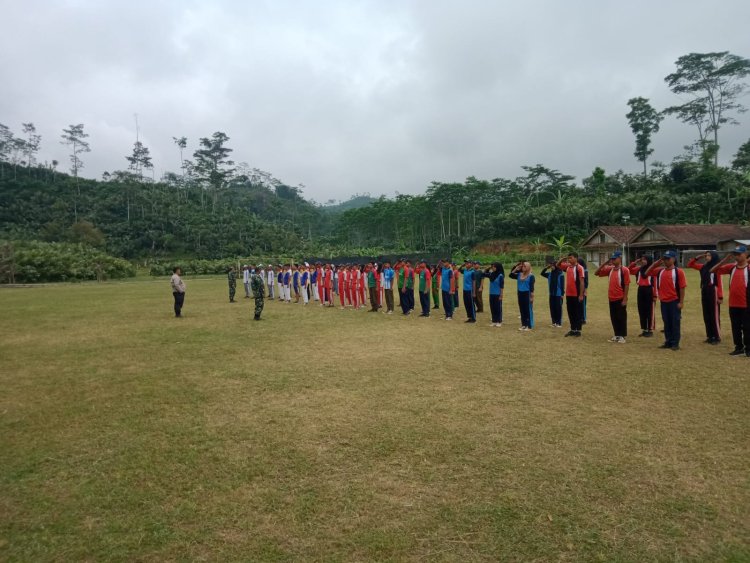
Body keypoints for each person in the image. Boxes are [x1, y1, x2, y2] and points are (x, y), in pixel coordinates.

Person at [711, 245, 750, 357]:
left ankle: (748, 349)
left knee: (747, 328)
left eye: (739, 254)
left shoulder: (748, 269)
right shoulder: (731, 267)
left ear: (745, 254)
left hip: (746, 304)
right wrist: (724, 260)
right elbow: (713, 270)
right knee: (735, 328)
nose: (737, 256)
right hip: (733, 304)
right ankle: (738, 347)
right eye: (735, 254)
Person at [646, 250, 687, 351]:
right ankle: (668, 341)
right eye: (664, 259)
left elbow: (682, 288)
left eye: (668, 259)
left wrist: (681, 302)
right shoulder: (660, 271)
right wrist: (656, 263)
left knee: (675, 323)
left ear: (673, 259)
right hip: (664, 302)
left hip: (674, 301)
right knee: (667, 323)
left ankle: (675, 343)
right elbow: (647, 272)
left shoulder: (679, 272)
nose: (665, 261)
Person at [594, 251, 631, 343]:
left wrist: (625, 298)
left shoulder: (624, 270)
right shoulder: (610, 269)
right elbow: (596, 273)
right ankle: (616, 334)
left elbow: (626, 284)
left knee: (621, 317)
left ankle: (622, 336)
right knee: (613, 317)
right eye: (612, 259)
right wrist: (605, 264)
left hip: (620, 297)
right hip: (611, 297)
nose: (613, 260)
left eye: (615, 258)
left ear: (620, 258)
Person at [688, 251, 723, 344]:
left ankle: (717, 336)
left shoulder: (717, 268)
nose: (707, 257)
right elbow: (690, 264)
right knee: (706, 314)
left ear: (714, 257)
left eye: (709, 255)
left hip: (713, 291)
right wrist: (697, 257)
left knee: (714, 315)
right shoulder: (703, 267)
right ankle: (710, 336)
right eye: (706, 255)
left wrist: (720, 296)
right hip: (704, 290)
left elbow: (719, 282)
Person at [628, 255, 657, 337]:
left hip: (649, 290)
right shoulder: (639, 269)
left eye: (645, 260)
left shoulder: (652, 270)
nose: (643, 261)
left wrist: (655, 295)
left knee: (649, 310)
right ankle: (644, 329)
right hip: (640, 290)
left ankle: (650, 330)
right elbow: (628, 270)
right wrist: (634, 263)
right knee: (641, 310)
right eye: (642, 259)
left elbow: (655, 283)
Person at [558, 253, 585, 337]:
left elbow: (581, 282)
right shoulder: (568, 267)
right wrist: (563, 258)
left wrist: (581, 295)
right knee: (570, 312)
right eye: (568, 258)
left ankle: (578, 330)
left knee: (577, 312)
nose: (569, 259)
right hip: (569, 294)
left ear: (576, 258)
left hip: (576, 294)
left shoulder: (579, 268)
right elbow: (558, 264)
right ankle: (573, 329)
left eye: (571, 258)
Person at [509, 261, 534, 330]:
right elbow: (510, 275)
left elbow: (532, 288)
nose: (523, 267)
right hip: (520, 293)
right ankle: (524, 324)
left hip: (527, 294)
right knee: (522, 310)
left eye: (525, 266)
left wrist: (531, 297)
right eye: (523, 266)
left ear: (528, 267)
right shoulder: (519, 274)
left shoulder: (531, 276)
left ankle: (529, 326)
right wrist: (516, 268)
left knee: (527, 310)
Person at [540, 258, 564, 328]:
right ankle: (554, 322)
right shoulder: (549, 274)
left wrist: (562, 294)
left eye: (553, 265)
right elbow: (542, 273)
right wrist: (546, 267)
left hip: (558, 294)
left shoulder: (560, 274)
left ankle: (559, 323)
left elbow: (562, 285)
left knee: (558, 308)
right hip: (551, 294)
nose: (551, 267)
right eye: (551, 265)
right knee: (552, 308)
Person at [484, 262, 505, 327]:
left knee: (498, 308)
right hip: (491, 293)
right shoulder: (491, 274)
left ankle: (499, 321)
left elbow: (502, 286)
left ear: (497, 267)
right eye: (492, 267)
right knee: (492, 307)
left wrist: (501, 295)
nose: (493, 268)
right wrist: (489, 267)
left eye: (494, 267)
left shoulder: (500, 275)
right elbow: (484, 273)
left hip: (497, 294)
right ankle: (494, 321)